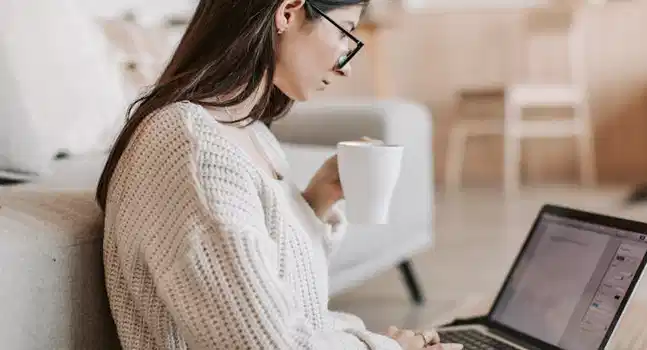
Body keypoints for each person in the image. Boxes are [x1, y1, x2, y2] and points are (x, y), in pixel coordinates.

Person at [94, 0, 462, 349]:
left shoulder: (252, 135)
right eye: (344, 34)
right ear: (288, 12)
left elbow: (293, 312)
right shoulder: (191, 147)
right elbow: (263, 342)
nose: (345, 66)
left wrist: (313, 203)